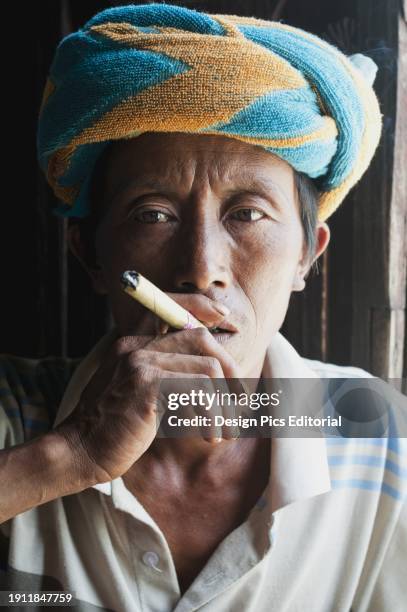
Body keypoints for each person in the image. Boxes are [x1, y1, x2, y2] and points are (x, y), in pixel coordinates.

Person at [0, 4, 405, 611]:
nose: (201, 266)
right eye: (153, 214)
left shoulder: (379, 436)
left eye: (247, 214)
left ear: (305, 255)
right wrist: (74, 453)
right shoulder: (14, 414)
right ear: (89, 255)